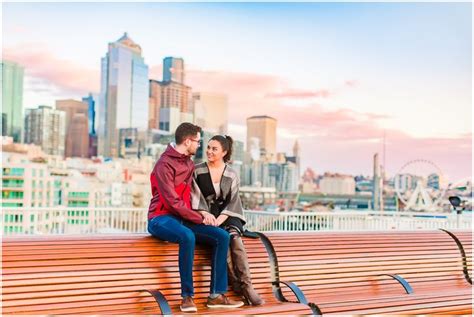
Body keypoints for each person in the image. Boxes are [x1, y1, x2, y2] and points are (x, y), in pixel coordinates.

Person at [147, 123, 244, 313]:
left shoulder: (189, 163)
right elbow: (172, 202)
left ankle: (216, 295)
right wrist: (199, 218)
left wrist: (205, 215)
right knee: (187, 236)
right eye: (198, 142)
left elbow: (194, 197)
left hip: (182, 219)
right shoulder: (164, 164)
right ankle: (187, 297)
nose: (200, 146)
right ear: (187, 141)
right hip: (160, 218)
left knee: (221, 236)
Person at [192, 135, 264, 306]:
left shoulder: (232, 173)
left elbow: (233, 202)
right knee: (222, 241)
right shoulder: (197, 170)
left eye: (214, 149)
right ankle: (237, 285)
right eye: (208, 147)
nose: (209, 151)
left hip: (229, 214)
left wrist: (220, 219)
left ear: (224, 152)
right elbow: (195, 197)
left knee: (234, 239)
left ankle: (247, 286)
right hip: (206, 215)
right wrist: (206, 215)